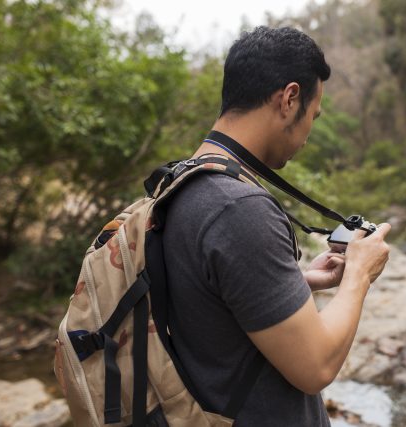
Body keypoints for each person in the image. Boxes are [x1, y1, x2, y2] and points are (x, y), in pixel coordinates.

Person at [163, 26, 391, 426]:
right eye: (313, 117)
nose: (307, 135)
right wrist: (359, 274)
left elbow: (208, 302)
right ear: (289, 99)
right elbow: (316, 367)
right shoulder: (239, 207)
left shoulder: (183, 181)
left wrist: (298, 282)